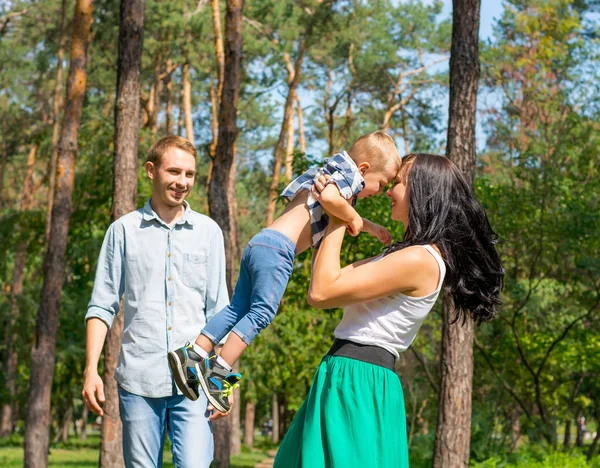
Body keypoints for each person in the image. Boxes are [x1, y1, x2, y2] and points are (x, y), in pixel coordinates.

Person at [274, 153, 504, 467]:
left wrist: (342, 207)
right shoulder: (404, 254)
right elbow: (328, 280)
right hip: (345, 374)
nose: (388, 191)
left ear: (423, 192)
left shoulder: (420, 260)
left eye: (397, 183)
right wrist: (341, 210)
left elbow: (321, 291)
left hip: (359, 381)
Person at [168, 132, 402, 413]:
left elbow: (330, 201)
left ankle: (193, 354)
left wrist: (372, 227)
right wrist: (352, 216)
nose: (379, 191)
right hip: (280, 251)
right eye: (381, 184)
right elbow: (330, 198)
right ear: (364, 169)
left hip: (261, 242)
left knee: (237, 308)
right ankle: (219, 372)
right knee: (262, 312)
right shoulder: (349, 179)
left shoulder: (330, 169)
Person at [81, 136, 230, 468]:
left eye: (189, 174)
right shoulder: (122, 231)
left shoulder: (209, 232)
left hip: (195, 379)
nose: (182, 182)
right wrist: (91, 371)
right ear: (152, 170)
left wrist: (224, 380)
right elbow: (101, 305)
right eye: (174, 171)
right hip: (139, 379)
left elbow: (220, 310)